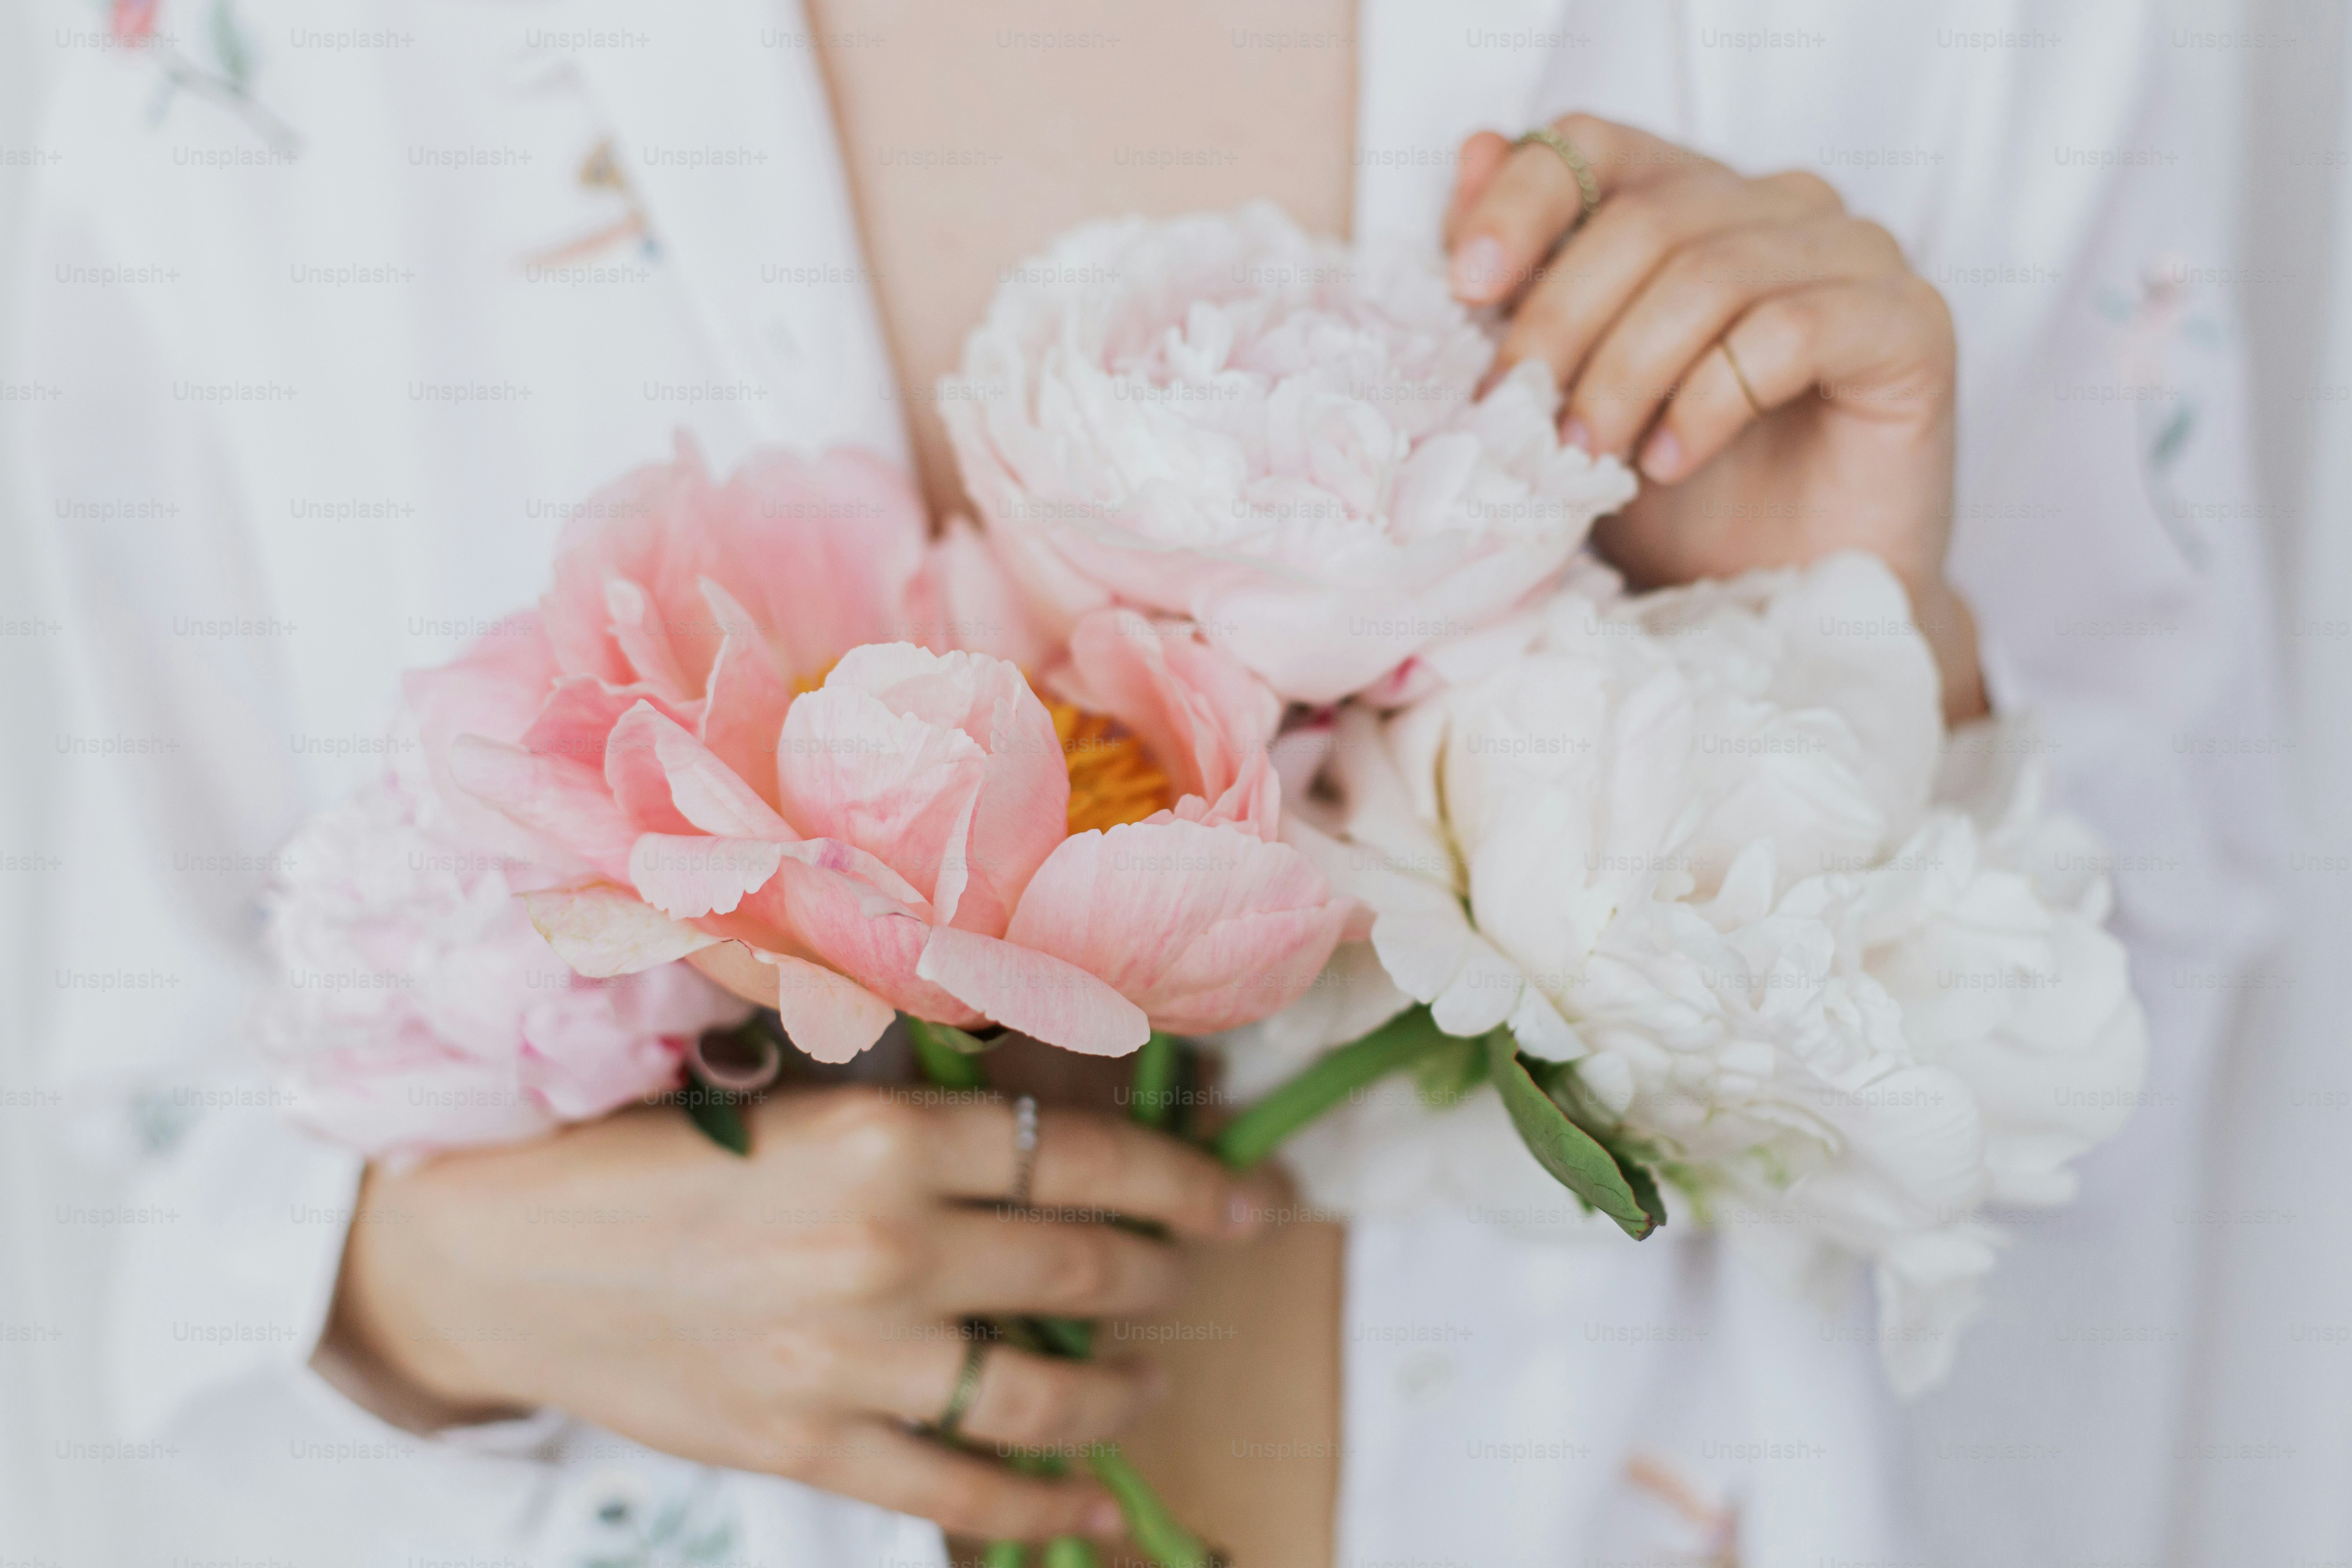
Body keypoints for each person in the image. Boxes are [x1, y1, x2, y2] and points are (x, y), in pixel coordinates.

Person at [11, 1, 2283, 1564]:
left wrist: (1842, 700)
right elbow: (102, 1113)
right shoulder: (220, 72)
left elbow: (2182, 1122)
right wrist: (434, 1292)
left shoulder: (1976, 35)